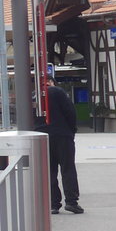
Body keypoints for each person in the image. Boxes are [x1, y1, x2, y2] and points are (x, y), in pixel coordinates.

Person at [43, 82, 83, 214]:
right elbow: (70, 112)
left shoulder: (33, 95)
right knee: (68, 168)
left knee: (49, 171)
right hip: (62, 135)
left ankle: (53, 204)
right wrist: (71, 131)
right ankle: (71, 202)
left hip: (42, 137)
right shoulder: (58, 92)